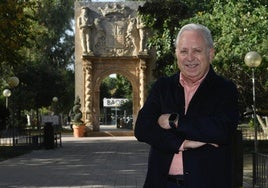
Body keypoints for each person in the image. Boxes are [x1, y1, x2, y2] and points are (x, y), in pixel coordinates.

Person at [134, 23, 239, 188]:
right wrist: (182, 143)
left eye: (197, 51)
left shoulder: (225, 89)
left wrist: (174, 121)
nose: (189, 58)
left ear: (210, 54)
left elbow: (221, 130)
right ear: (176, 54)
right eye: (183, 51)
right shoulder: (163, 87)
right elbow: (142, 128)